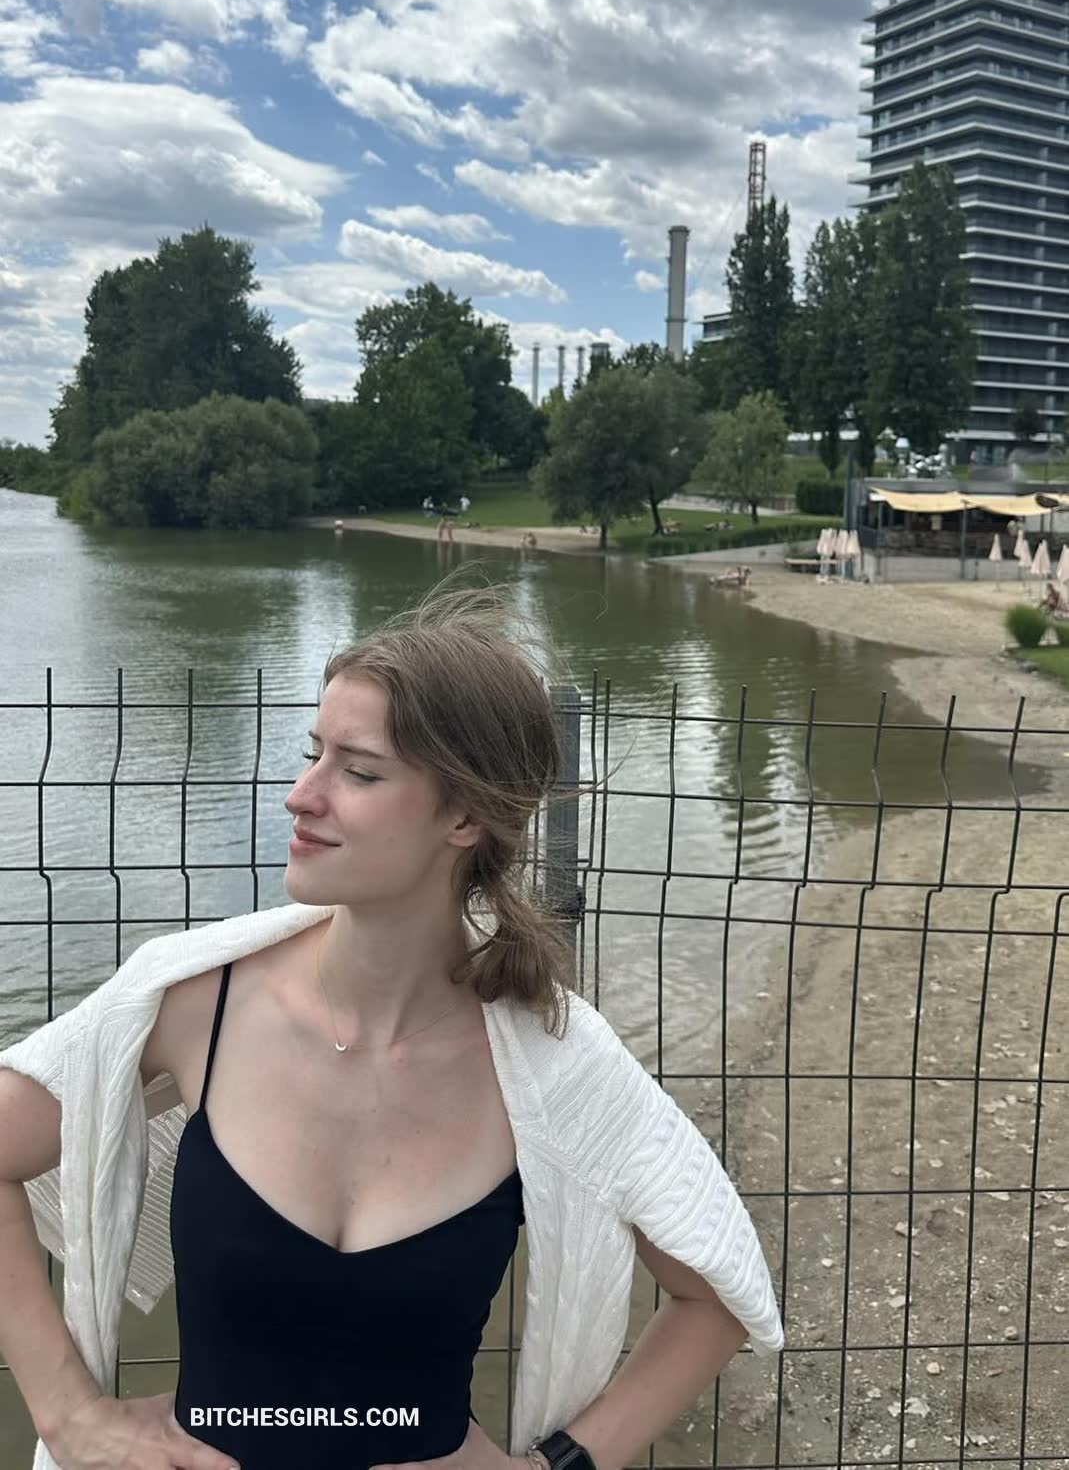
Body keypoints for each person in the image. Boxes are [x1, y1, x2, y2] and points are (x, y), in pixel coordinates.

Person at [0, 578, 783, 1470]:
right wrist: (68, 1416)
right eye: (313, 755)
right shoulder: (191, 1003)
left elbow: (717, 1294)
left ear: (465, 816)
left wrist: (551, 1467)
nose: (302, 795)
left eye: (359, 771)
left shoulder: (551, 1064)